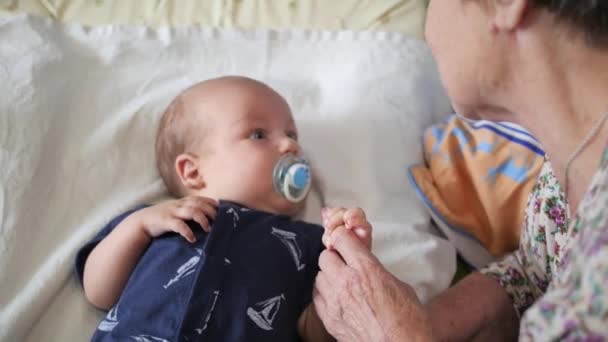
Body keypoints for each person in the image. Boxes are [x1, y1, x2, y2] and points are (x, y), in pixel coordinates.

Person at [313, 0, 608, 340]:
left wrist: (391, 333)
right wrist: (413, 318)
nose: (427, 25)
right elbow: (537, 270)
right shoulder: (578, 155)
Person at [75, 76, 372, 341]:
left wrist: (346, 259)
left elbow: (316, 332)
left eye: (292, 135)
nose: (290, 146)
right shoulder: (161, 220)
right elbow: (98, 291)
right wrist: (137, 226)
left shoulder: (309, 242)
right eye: (258, 135)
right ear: (192, 172)